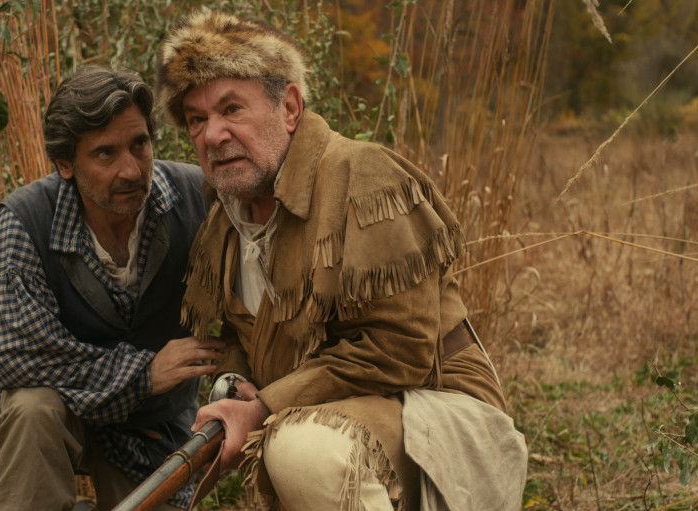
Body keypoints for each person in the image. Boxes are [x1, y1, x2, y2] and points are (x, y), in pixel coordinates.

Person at [155, 12, 528, 511]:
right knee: (299, 442)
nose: (212, 135)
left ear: (289, 107)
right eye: (197, 120)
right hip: (326, 417)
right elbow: (245, 337)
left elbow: (400, 349)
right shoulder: (225, 218)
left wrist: (265, 406)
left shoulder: (363, 175)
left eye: (232, 109)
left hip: (435, 412)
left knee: (303, 451)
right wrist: (235, 388)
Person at [0, 65, 221, 511]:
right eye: (105, 154)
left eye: (140, 145)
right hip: (58, 415)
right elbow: (16, 355)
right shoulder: (26, 218)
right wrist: (143, 374)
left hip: (150, 428)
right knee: (31, 407)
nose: (131, 170)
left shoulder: (197, 197)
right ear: (66, 164)